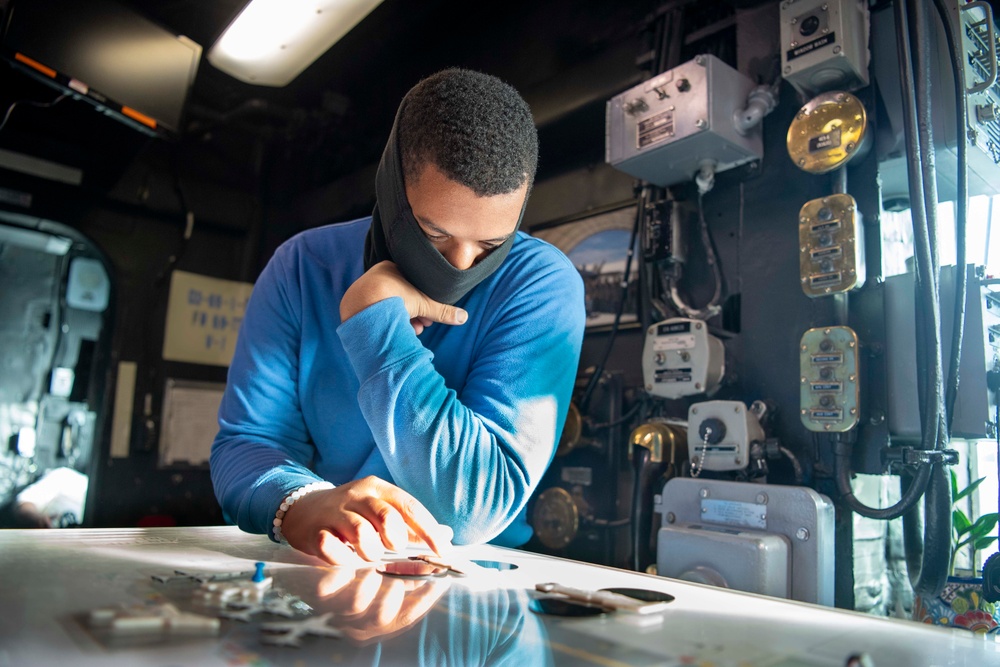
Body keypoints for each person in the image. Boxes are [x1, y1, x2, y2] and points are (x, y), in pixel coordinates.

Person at [210, 67, 586, 566]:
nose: (460, 265)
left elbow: (473, 509)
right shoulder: (302, 268)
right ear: (391, 186)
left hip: (475, 583)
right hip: (328, 565)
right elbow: (247, 443)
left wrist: (377, 326)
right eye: (434, 235)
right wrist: (298, 502)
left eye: (491, 245)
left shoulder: (540, 285)